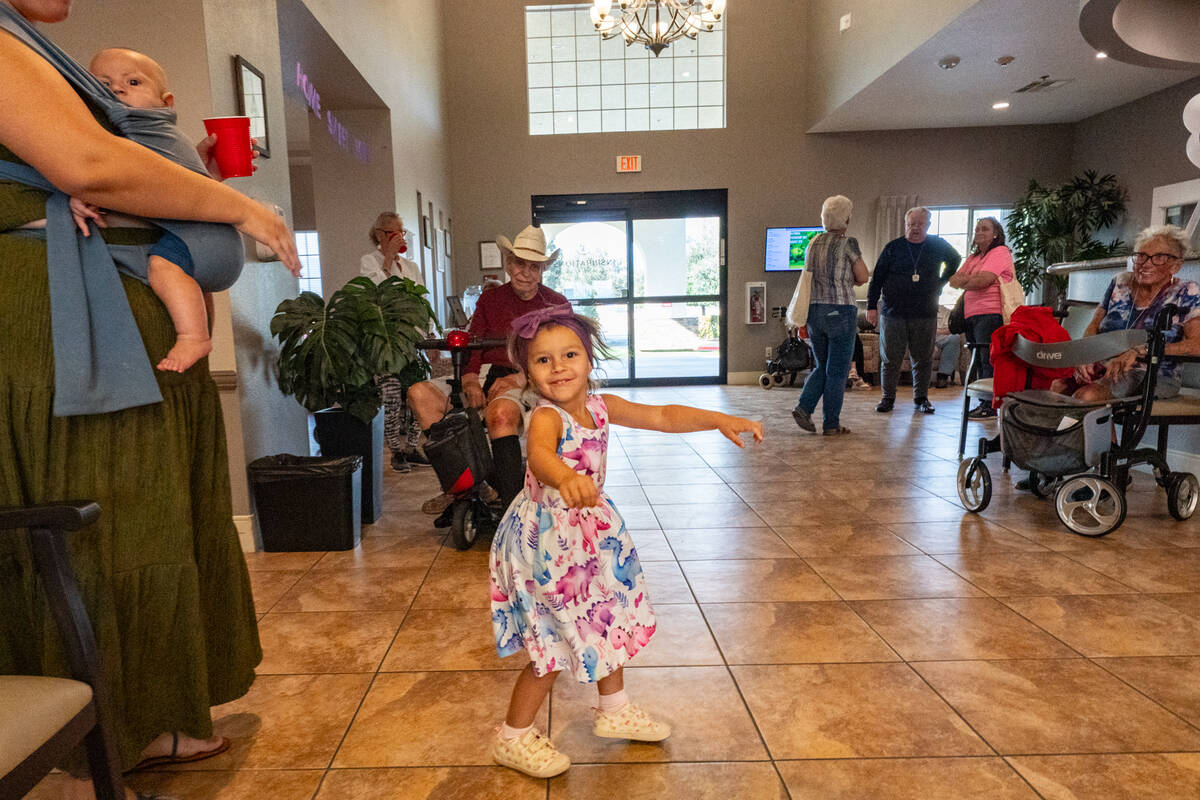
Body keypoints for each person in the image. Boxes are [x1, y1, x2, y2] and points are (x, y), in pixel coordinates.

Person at [0, 3, 300, 798]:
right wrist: (242, 207)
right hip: (71, 344)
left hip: (116, 334)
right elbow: (87, 164)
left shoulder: (27, 41)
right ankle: (109, 733)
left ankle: (152, 715)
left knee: (152, 522)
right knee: (105, 531)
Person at [488, 304, 763, 778]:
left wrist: (717, 418)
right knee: (552, 643)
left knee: (606, 619)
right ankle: (512, 738)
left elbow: (662, 414)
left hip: (587, 535)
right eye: (543, 360)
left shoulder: (601, 406)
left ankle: (613, 708)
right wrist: (566, 476)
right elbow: (538, 458)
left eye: (569, 354)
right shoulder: (547, 417)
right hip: (546, 545)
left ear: (589, 360)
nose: (559, 368)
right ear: (528, 372)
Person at [407, 224, 568, 512]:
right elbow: (473, 343)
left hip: (531, 378)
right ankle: (468, 484)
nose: (525, 272)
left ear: (543, 270)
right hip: (484, 373)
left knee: (501, 414)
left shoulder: (556, 304)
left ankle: (512, 510)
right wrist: (469, 380)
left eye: (534, 266)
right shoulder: (490, 299)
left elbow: (563, 358)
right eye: (519, 263)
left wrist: (521, 377)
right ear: (508, 263)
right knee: (420, 394)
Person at [1050, 224, 1200, 402]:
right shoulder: (1120, 282)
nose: (1145, 264)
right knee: (1057, 386)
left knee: (1087, 396)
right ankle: (1055, 430)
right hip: (1104, 366)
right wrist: (1087, 354)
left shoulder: (1187, 292)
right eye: (1141, 256)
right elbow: (1094, 325)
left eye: (1159, 257)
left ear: (1176, 265)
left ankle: (1078, 428)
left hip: (1153, 373)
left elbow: (1196, 346)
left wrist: (1142, 350)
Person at [867, 206, 961, 414]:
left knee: (922, 358)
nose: (914, 228)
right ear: (905, 225)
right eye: (911, 224)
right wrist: (871, 306)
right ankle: (887, 398)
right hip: (893, 312)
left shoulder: (937, 245)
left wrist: (941, 281)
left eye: (919, 224)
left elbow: (955, 259)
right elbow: (877, 278)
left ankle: (921, 398)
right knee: (890, 358)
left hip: (925, 312)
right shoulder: (894, 247)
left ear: (927, 225)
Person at [790, 195, 869, 435]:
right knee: (837, 371)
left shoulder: (813, 243)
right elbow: (863, 276)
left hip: (815, 312)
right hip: (841, 311)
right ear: (846, 218)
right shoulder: (849, 244)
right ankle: (831, 424)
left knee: (823, 365)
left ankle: (804, 407)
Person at [360, 211, 432, 472]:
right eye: (393, 232)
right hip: (386, 342)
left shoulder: (411, 267)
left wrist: (429, 333)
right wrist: (388, 258)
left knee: (417, 394)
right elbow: (378, 292)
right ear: (380, 234)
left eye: (402, 231)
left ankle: (413, 446)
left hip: (414, 342)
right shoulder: (369, 262)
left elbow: (422, 301)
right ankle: (395, 451)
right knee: (391, 398)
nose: (399, 236)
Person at [948, 216, 1014, 418]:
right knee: (977, 360)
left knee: (988, 359)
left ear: (996, 234)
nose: (979, 232)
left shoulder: (1000, 252)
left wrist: (966, 281)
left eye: (984, 229)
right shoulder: (974, 258)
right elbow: (952, 280)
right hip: (971, 315)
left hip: (990, 314)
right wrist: (971, 280)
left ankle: (989, 406)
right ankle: (983, 403)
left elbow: (984, 281)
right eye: (977, 229)